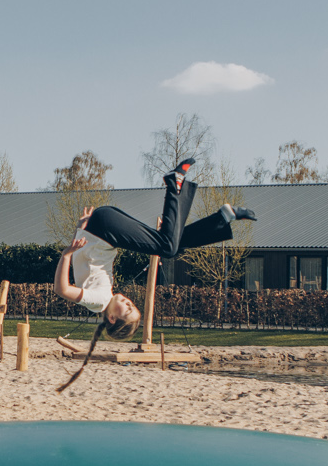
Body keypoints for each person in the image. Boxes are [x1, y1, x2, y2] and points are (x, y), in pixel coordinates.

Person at [53, 160, 256, 387]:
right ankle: (222, 217)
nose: (128, 302)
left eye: (127, 309)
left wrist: (66, 254)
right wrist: (80, 228)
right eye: (132, 305)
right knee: (171, 245)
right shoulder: (102, 297)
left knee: (167, 247)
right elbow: (86, 257)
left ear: (111, 318)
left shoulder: (99, 300)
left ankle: (175, 184)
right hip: (101, 225)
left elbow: (62, 289)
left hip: (104, 228)